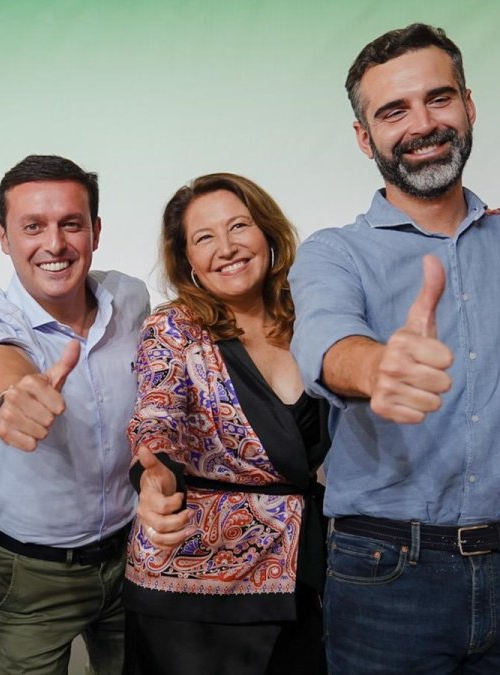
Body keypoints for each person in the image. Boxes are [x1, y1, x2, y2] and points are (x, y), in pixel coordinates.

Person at [289, 24, 500, 674]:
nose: (423, 123)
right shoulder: (335, 253)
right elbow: (324, 346)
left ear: (469, 104)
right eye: (393, 110)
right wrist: (377, 365)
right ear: (365, 137)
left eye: (438, 99)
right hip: (386, 575)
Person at [0, 154, 149, 675]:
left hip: (134, 556)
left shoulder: (131, 298)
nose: (54, 245)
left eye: (71, 224)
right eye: (32, 226)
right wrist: (13, 392)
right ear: (3, 236)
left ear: (96, 231)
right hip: (33, 575)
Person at [125, 173, 328, 674]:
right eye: (204, 238)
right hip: (195, 597)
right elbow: (156, 417)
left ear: (267, 233)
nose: (227, 247)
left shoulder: (310, 315)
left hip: (303, 574)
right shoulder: (173, 327)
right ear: (187, 259)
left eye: (239, 226)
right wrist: (154, 477)